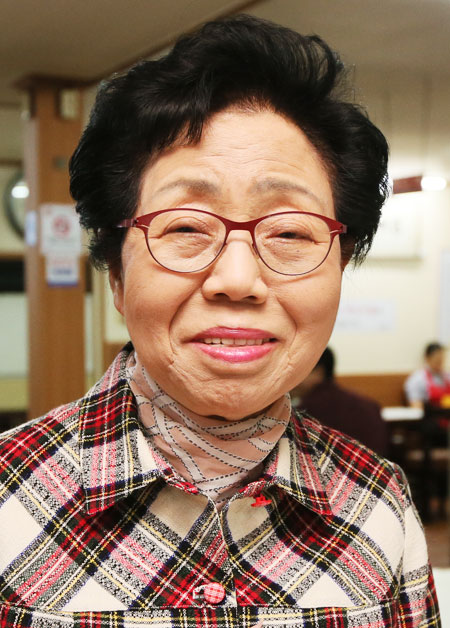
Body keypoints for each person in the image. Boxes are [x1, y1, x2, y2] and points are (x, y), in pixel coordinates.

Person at [0, 15, 440, 628]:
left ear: (341, 269)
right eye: (185, 226)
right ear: (116, 277)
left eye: (290, 232)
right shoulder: (10, 494)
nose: (237, 279)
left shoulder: (378, 502)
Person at [294, 347, 389, 455]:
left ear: (319, 371)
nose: (292, 379)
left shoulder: (307, 410)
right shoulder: (369, 404)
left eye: (299, 371)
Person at [405, 342, 450, 409]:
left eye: (442, 358)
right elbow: (416, 407)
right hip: (431, 414)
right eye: (437, 359)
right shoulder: (417, 380)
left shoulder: (447, 376)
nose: (440, 361)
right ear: (427, 358)